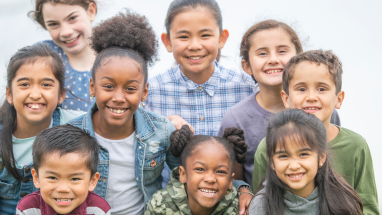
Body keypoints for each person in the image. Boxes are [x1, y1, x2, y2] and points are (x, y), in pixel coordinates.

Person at [66, 10, 181, 214]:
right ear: (92, 87)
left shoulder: (162, 130)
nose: (119, 98)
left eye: (130, 89)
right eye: (108, 87)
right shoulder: (70, 134)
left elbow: (183, 177)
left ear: (144, 91)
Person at [144, 1, 256, 200]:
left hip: (230, 202)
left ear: (221, 38)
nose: (195, 45)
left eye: (205, 35)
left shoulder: (246, 87)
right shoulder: (151, 92)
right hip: (171, 204)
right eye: (183, 36)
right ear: (168, 41)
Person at [252, 50, 379, 214]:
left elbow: (368, 207)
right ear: (286, 98)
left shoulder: (355, 145)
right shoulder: (269, 144)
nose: (311, 97)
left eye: (321, 88)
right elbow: (262, 195)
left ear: (338, 99)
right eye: (302, 89)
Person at [218, 20, 340, 184]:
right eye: (262, 53)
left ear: (298, 57)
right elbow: (232, 180)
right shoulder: (235, 119)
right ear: (246, 66)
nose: (273, 59)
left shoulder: (321, 109)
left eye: (282, 51)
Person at [0, 44, 85, 215]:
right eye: (24, 84)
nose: (35, 94)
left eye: (46, 85)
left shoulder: (79, 124)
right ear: (9, 94)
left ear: (61, 95)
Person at [249, 109, 363, 215]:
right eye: (283, 156)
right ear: (272, 162)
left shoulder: (343, 201)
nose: (294, 166)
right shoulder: (261, 206)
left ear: (322, 158)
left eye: (303, 154)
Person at [145, 125, 247, 215]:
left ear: (230, 181)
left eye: (220, 172)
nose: (210, 179)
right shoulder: (161, 206)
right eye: (200, 169)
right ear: (183, 174)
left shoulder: (239, 209)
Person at [16, 124, 110, 215]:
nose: (63, 189)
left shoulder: (98, 210)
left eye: (75, 179)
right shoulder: (28, 208)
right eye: (52, 177)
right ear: (36, 178)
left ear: (92, 181)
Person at [29, 0, 97, 111]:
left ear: (91, 11)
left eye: (72, 18)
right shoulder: (40, 56)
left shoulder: (117, 56)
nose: (65, 32)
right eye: (53, 24)